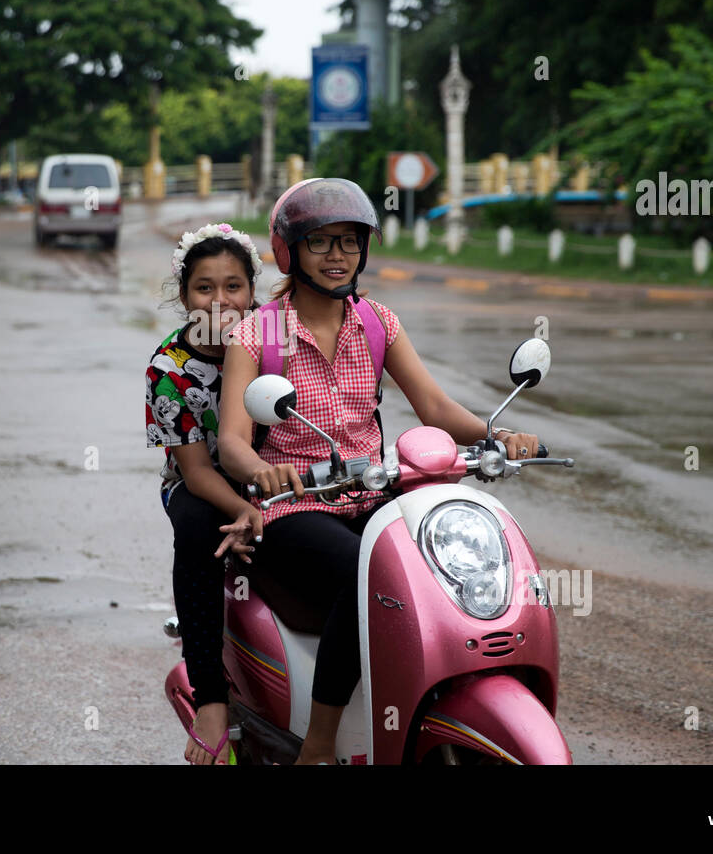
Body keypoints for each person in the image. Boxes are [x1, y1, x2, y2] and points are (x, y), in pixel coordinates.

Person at [217, 178, 540, 765]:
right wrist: (265, 471)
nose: (337, 256)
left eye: (349, 242)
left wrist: (496, 437)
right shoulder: (257, 333)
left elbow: (436, 410)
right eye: (321, 242)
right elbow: (235, 441)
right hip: (294, 506)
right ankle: (317, 748)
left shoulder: (377, 323)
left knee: (445, 569)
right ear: (290, 252)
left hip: (376, 496)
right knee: (367, 582)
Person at [145, 222, 266, 765]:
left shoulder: (275, 341)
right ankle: (211, 697)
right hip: (201, 484)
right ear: (184, 294)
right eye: (204, 287)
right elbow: (194, 472)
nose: (220, 301)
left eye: (233, 286)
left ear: (252, 291)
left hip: (273, 477)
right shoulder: (168, 369)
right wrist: (242, 508)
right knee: (197, 524)